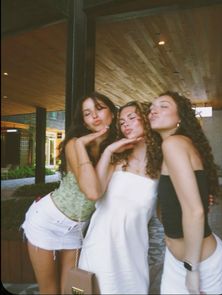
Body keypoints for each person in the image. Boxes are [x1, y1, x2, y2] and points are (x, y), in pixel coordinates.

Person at [21, 92, 117, 294]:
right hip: (46, 221)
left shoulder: (115, 149)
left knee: (71, 289)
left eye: (100, 108)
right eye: (88, 113)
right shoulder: (75, 144)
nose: (95, 116)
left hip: (77, 229)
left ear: (113, 112)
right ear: (84, 121)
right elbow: (92, 191)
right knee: (50, 290)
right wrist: (82, 144)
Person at [148, 91, 222, 294]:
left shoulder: (173, 144)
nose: (153, 110)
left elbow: (195, 212)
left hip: (199, 264)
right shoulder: (173, 146)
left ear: (180, 118)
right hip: (179, 261)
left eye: (163, 106)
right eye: (152, 107)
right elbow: (170, 210)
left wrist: (192, 270)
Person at [78, 101, 161, 294]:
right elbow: (95, 192)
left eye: (132, 118)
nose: (126, 125)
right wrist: (108, 151)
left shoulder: (161, 163)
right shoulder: (115, 159)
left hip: (135, 246)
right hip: (101, 242)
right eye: (122, 122)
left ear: (147, 119)